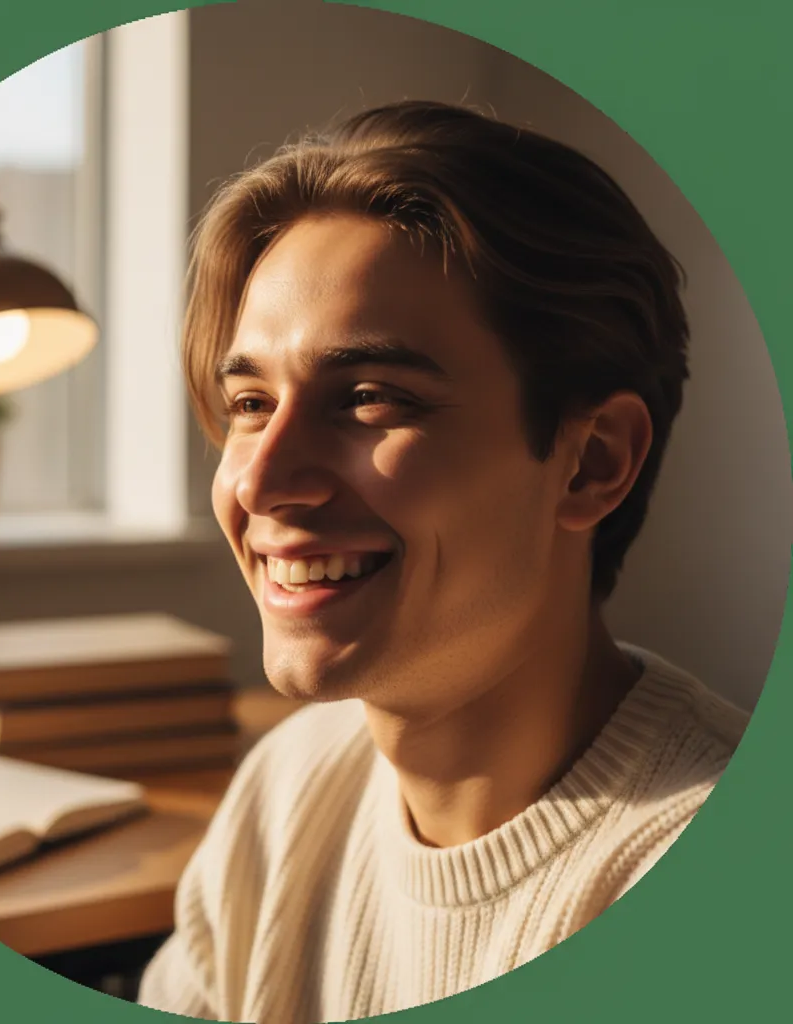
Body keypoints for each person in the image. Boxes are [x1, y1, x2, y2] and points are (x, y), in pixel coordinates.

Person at [137, 100, 749, 1023]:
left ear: (591, 464)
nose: (261, 483)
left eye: (371, 397)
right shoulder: (291, 783)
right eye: (251, 404)